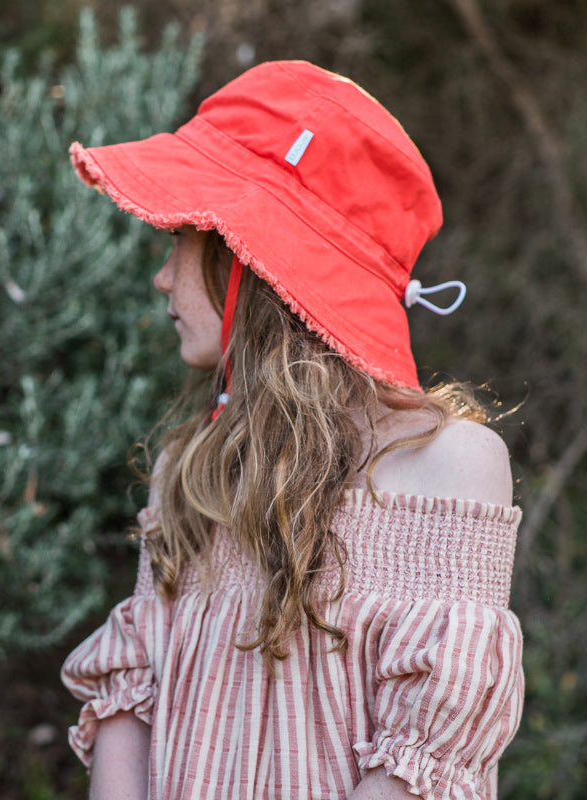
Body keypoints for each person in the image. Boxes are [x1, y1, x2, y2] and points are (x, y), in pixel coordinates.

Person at [61, 61, 523, 800]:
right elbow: (130, 700)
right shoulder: (188, 468)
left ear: (253, 260)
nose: (162, 277)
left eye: (185, 237)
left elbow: (426, 755)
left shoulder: (449, 466)